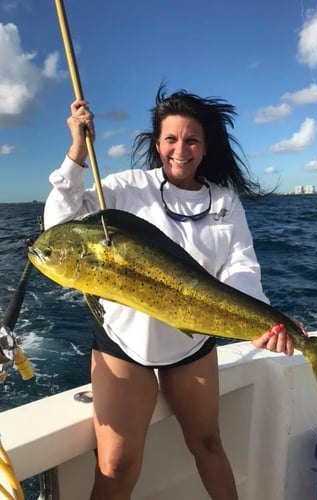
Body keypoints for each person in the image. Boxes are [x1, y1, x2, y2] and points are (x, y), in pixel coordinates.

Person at [44, 86, 294, 500]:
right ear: (158, 144)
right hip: (125, 344)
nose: (182, 149)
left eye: (192, 139)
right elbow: (58, 226)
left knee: (209, 444)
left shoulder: (225, 202)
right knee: (116, 466)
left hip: (192, 341)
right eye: (171, 139)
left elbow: (241, 268)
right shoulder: (125, 187)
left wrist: (260, 320)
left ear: (205, 146)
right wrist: (77, 153)